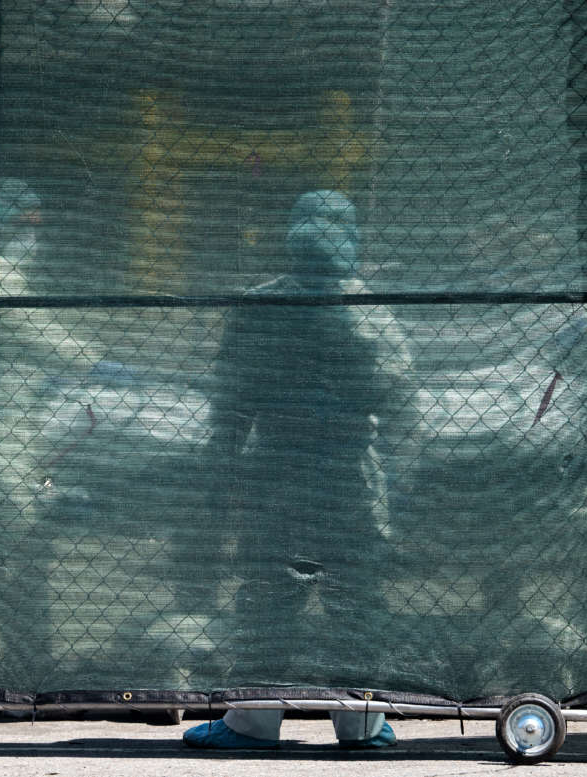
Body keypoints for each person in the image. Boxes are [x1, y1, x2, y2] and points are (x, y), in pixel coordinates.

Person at [183, 191, 399, 749]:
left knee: (269, 597)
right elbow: (399, 400)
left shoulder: (262, 305)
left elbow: (230, 404)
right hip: (345, 474)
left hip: (281, 470)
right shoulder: (369, 311)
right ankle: (362, 724)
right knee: (353, 596)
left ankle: (254, 721)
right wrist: (400, 476)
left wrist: (221, 470)